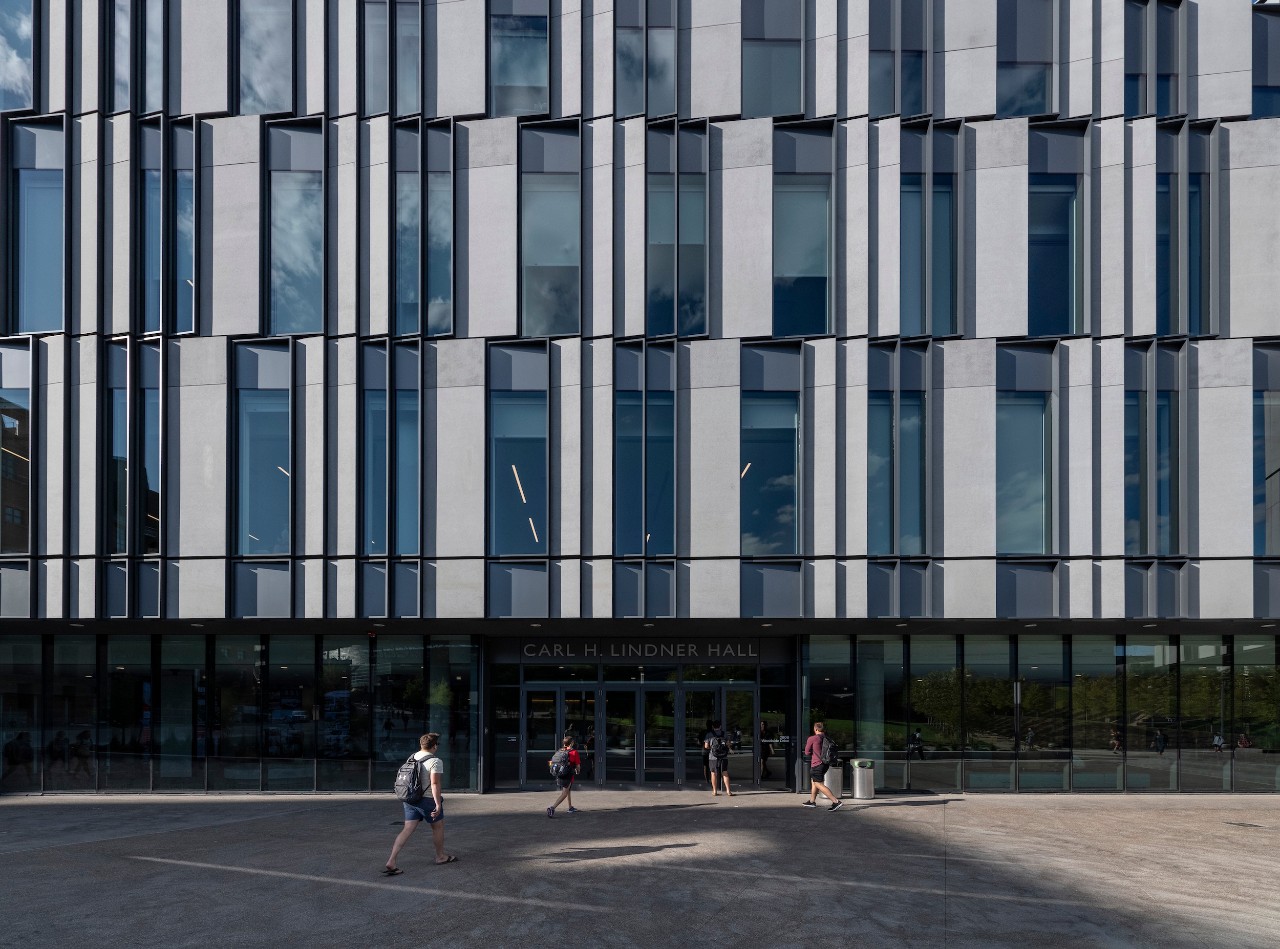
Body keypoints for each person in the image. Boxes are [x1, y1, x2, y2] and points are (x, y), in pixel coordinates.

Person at [384, 733, 456, 874]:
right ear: (434, 746)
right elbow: (434, 784)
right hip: (427, 800)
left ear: (421, 745)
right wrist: (438, 804)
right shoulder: (435, 761)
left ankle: (391, 860)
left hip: (410, 799)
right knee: (438, 827)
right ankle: (440, 856)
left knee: (407, 829)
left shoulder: (412, 757)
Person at [803, 722, 842, 811]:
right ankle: (812, 801)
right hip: (825, 764)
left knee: (818, 784)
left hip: (817, 764)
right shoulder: (827, 738)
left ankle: (836, 802)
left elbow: (807, 752)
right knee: (814, 782)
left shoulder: (812, 738)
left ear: (815, 729)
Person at [546, 735, 581, 818]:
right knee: (564, 793)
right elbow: (578, 766)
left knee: (568, 789)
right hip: (567, 774)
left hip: (560, 773)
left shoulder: (559, 751)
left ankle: (570, 807)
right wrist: (578, 771)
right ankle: (552, 808)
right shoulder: (574, 752)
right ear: (571, 743)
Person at [704, 720, 732, 798]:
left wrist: (712, 748)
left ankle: (715, 791)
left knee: (713, 773)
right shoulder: (724, 734)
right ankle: (728, 791)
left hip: (713, 757)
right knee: (725, 772)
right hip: (724, 756)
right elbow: (729, 744)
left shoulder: (709, 734)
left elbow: (706, 746)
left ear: (713, 726)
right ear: (720, 726)